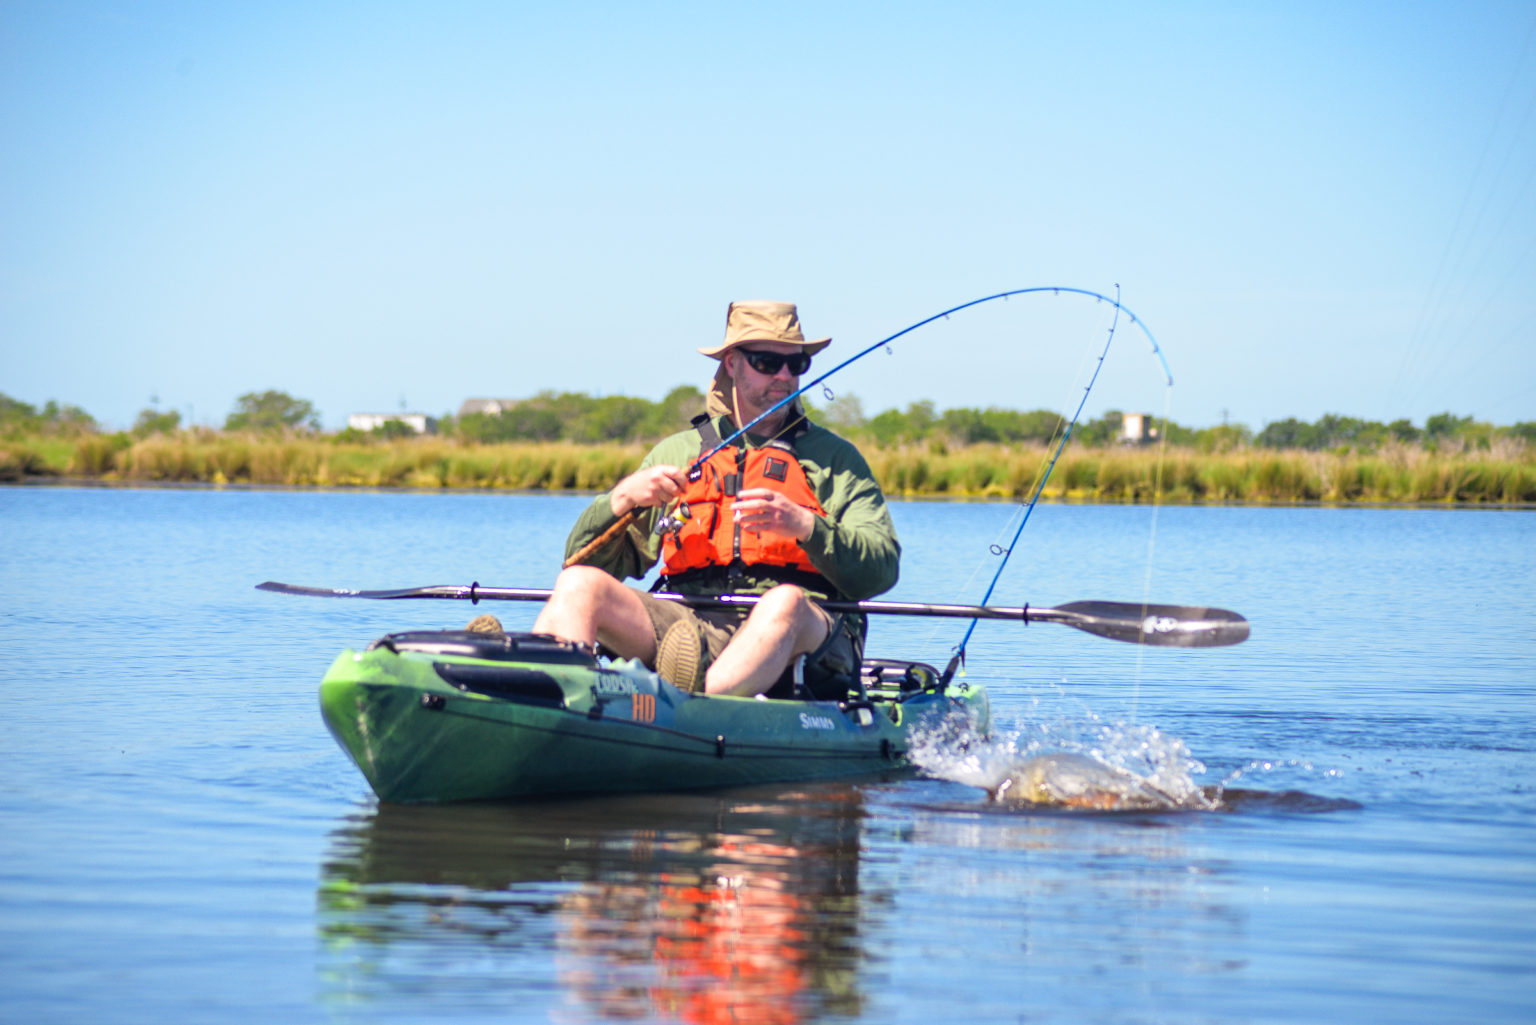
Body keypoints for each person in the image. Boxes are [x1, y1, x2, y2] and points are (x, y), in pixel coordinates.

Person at [478, 300, 899, 700]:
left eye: (797, 363)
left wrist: (806, 526)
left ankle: (691, 704)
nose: (785, 376)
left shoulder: (837, 460)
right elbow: (584, 564)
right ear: (732, 364)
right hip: (689, 628)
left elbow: (880, 570)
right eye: (768, 363)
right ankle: (532, 691)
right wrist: (622, 499)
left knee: (784, 602)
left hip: (805, 638)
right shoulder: (678, 452)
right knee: (579, 585)